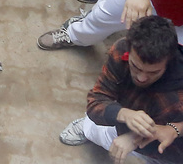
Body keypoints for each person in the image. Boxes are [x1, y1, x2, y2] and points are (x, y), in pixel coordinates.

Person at [59, 16, 183, 159]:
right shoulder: (120, 50)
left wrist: (174, 130)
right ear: (128, 51)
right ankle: (89, 128)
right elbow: (97, 100)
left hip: (171, 150)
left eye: (153, 72)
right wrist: (124, 114)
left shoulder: (177, 95)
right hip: (124, 124)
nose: (141, 78)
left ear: (170, 61)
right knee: (99, 130)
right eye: (135, 66)